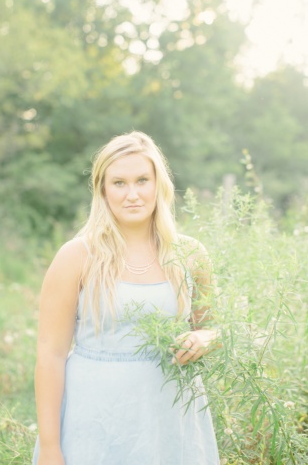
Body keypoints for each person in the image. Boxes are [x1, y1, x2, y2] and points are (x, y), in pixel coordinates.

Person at [32, 131, 221, 464]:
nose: (132, 194)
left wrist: (204, 337)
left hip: (170, 421)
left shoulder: (190, 254)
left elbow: (215, 327)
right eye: (119, 183)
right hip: (94, 421)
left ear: (158, 185)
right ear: (102, 189)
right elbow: (50, 354)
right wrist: (49, 448)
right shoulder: (77, 256)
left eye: (142, 180)